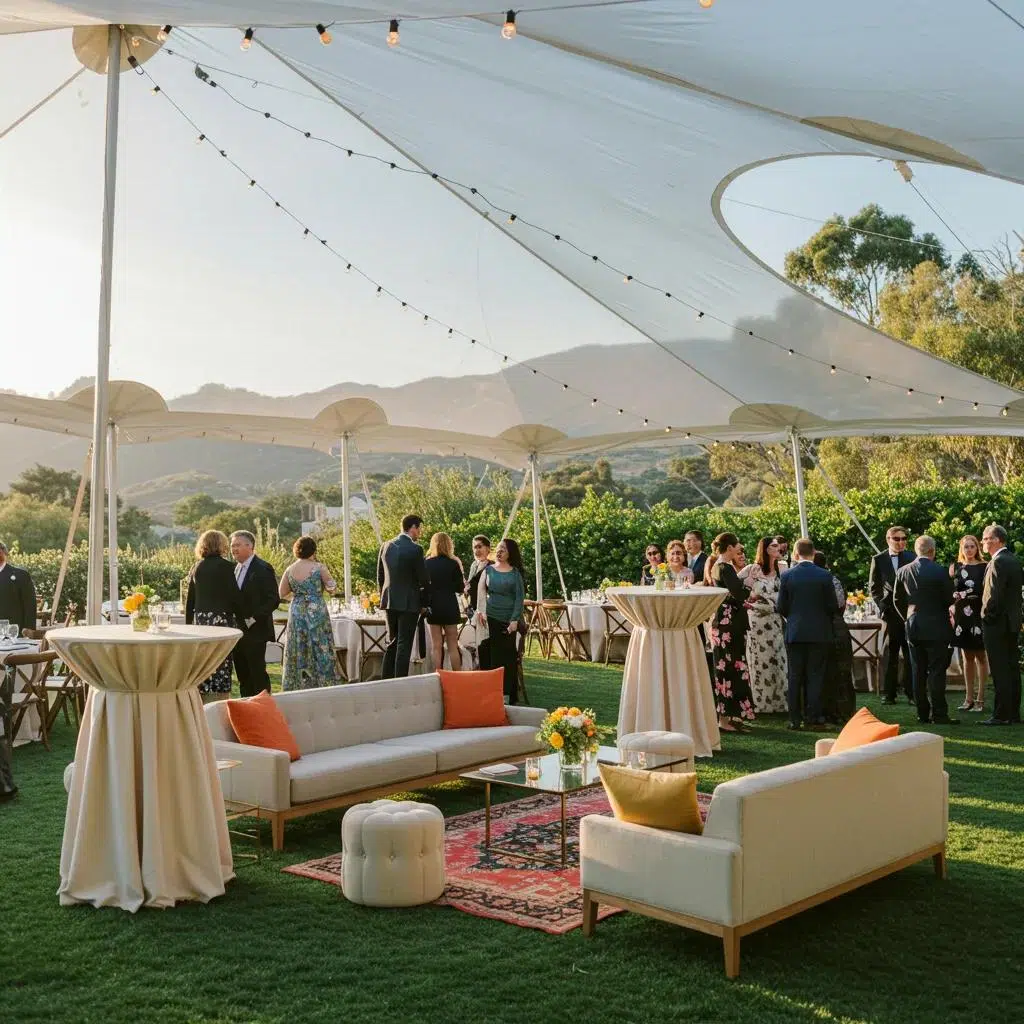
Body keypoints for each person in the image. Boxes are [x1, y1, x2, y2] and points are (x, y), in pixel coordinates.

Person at [894, 536, 957, 725]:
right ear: (933, 551)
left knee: (917, 670)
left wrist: (907, 617)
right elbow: (948, 599)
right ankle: (939, 713)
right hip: (937, 625)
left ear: (916, 550)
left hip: (913, 624)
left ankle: (922, 713)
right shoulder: (940, 571)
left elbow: (897, 600)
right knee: (937, 671)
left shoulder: (903, 571)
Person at [777, 538, 838, 730]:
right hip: (820, 631)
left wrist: (793, 617)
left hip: (795, 631)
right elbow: (832, 606)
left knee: (794, 675)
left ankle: (794, 718)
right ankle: (814, 716)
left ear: (795, 554)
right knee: (815, 675)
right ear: (813, 553)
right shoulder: (825, 575)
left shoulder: (787, 575)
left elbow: (781, 606)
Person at [185, 530, 242, 700]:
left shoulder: (197, 567)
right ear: (221, 545)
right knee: (221, 659)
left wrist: (189, 624)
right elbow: (235, 597)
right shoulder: (228, 567)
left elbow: (190, 600)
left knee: (203, 659)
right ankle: (221, 696)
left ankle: (202, 694)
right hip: (221, 619)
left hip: (201, 620)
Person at [279, 536, 341, 691]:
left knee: (298, 642)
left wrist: (298, 597)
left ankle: (297, 682)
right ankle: (323, 681)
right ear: (313, 550)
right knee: (320, 642)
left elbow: (281, 593)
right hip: (316, 609)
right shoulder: (319, 567)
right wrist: (330, 587)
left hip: (297, 609)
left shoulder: (290, 569)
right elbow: (331, 587)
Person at [709, 532, 755, 732]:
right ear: (729, 548)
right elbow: (738, 593)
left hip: (727, 623)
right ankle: (726, 719)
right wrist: (750, 585)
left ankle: (731, 716)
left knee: (730, 669)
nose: (740, 548)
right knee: (729, 670)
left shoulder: (719, 567)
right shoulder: (724, 567)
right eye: (737, 545)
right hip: (728, 625)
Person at [980, 524, 1023, 726]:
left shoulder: (998, 562)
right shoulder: (1013, 560)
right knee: (1011, 669)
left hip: (997, 624)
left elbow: (994, 596)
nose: (983, 542)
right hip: (1011, 623)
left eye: (986, 538)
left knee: (1000, 670)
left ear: (996, 540)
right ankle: (1013, 713)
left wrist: (987, 617)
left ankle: (1001, 714)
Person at [739, 538, 788, 714]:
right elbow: (736, 589)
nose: (778, 548)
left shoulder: (783, 568)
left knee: (778, 658)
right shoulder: (753, 569)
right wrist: (750, 597)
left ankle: (781, 703)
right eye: (774, 545)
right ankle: (760, 704)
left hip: (775, 619)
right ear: (765, 549)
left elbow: (787, 594)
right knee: (759, 661)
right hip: (756, 620)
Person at [377, 514, 429, 679]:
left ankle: (385, 679)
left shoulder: (386, 546)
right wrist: (425, 603)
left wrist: (383, 597)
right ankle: (400, 681)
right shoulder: (416, 549)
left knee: (392, 642)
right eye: (419, 529)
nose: (419, 533)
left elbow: (380, 576)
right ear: (413, 527)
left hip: (389, 600)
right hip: (409, 601)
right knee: (404, 644)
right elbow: (423, 579)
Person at [868, 525, 915, 705]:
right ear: (888, 539)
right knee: (891, 653)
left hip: (909, 611)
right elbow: (874, 587)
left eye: (904, 539)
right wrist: (882, 608)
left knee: (910, 652)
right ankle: (889, 693)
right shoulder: (878, 559)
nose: (901, 542)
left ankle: (912, 693)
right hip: (890, 613)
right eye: (897, 539)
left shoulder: (912, 557)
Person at [230, 530, 280, 697]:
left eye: (237, 545)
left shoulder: (262, 568)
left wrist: (253, 619)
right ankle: (246, 709)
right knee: (243, 676)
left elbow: (273, 599)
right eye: (232, 545)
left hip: (255, 631)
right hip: (238, 632)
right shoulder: (235, 568)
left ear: (249, 546)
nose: (233, 549)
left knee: (257, 675)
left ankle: (264, 710)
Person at [477, 538, 526, 704]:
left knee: (508, 656)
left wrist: (514, 620)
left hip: (509, 620)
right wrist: (481, 612)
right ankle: (492, 692)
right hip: (491, 617)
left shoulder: (515, 573)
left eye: (503, 549)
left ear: (510, 553)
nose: (499, 551)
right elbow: (481, 593)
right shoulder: (488, 570)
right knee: (493, 655)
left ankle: (508, 693)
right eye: (498, 549)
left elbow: (519, 598)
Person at [813, 551, 856, 724]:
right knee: (841, 671)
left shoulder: (817, 581)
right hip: (838, 627)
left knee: (826, 671)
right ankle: (843, 711)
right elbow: (840, 604)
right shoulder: (834, 580)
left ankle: (827, 710)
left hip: (825, 628)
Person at [950, 535, 988, 712]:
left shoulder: (984, 566)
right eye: (966, 547)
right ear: (962, 549)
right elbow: (951, 589)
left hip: (978, 613)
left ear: (977, 548)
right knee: (967, 658)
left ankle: (980, 700)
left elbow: (985, 590)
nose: (970, 550)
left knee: (981, 656)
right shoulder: (955, 567)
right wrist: (954, 596)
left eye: (972, 546)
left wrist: (967, 593)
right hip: (961, 614)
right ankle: (968, 699)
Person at [425, 532, 465, 672]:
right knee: (453, 645)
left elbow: (423, 586)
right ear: (449, 545)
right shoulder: (453, 563)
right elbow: (460, 588)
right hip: (449, 606)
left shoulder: (427, 563)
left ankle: (437, 676)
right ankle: (457, 679)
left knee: (436, 646)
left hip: (433, 606)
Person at [464, 534, 492, 669]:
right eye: (474, 547)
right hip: (472, 609)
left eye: (480, 547)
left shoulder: (491, 567)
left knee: (483, 642)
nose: (477, 550)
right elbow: (470, 586)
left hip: (485, 611)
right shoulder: (474, 565)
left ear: (488, 549)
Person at [0, 540, 37, 634]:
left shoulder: (21, 576)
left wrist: (28, 631)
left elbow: (30, 605)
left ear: (3, 553)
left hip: (13, 634)